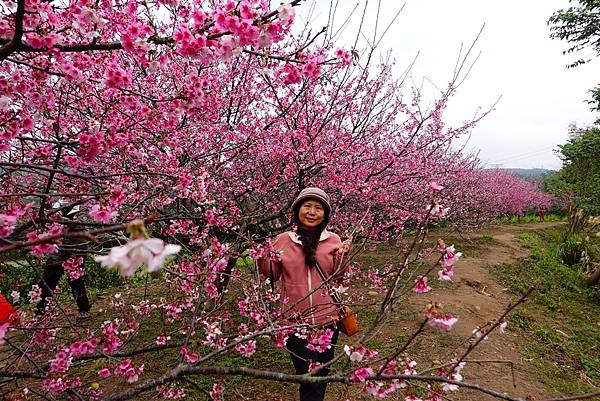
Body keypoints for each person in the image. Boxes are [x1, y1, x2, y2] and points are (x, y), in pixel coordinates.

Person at [258, 187, 350, 401]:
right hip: (294, 321)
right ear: (297, 210)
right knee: (308, 374)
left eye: (318, 208)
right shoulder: (283, 240)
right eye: (307, 206)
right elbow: (272, 275)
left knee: (322, 374)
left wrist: (343, 258)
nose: (312, 211)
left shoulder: (334, 240)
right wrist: (264, 256)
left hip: (328, 320)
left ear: (325, 215)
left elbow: (341, 280)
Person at [36, 203, 92, 321]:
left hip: (76, 252)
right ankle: (41, 310)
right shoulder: (57, 205)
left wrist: (59, 218)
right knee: (48, 279)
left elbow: (79, 224)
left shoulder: (83, 207)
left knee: (75, 281)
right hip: (58, 251)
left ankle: (84, 309)